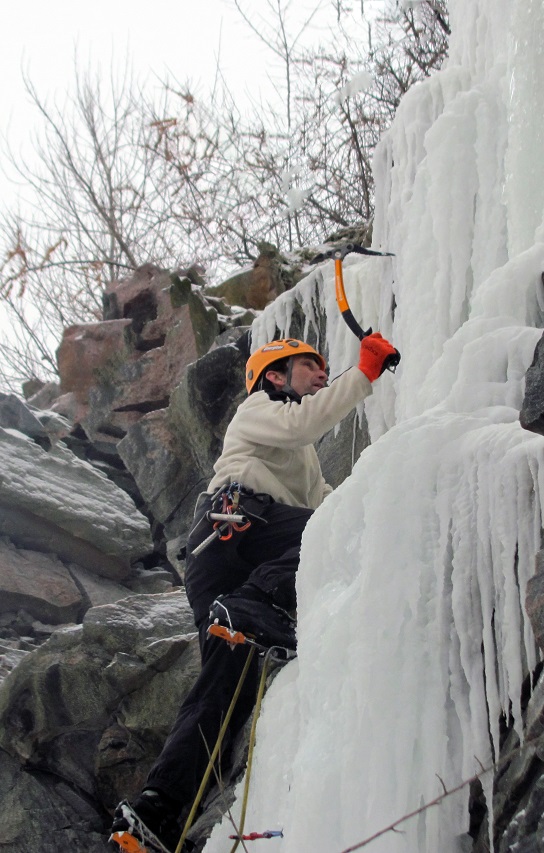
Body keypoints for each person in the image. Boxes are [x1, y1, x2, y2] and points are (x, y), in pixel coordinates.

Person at [111, 332, 398, 851]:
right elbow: (309, 436)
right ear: (274, 376)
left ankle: (158, 809)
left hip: (226, 567)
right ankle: (251, 606)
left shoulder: (300, 456)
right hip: (235, 526)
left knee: (223, 692)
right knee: (319, 533)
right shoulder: (261, 409)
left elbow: (332, 507)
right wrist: (364, 374)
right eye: (310, 366)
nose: (320, 373)